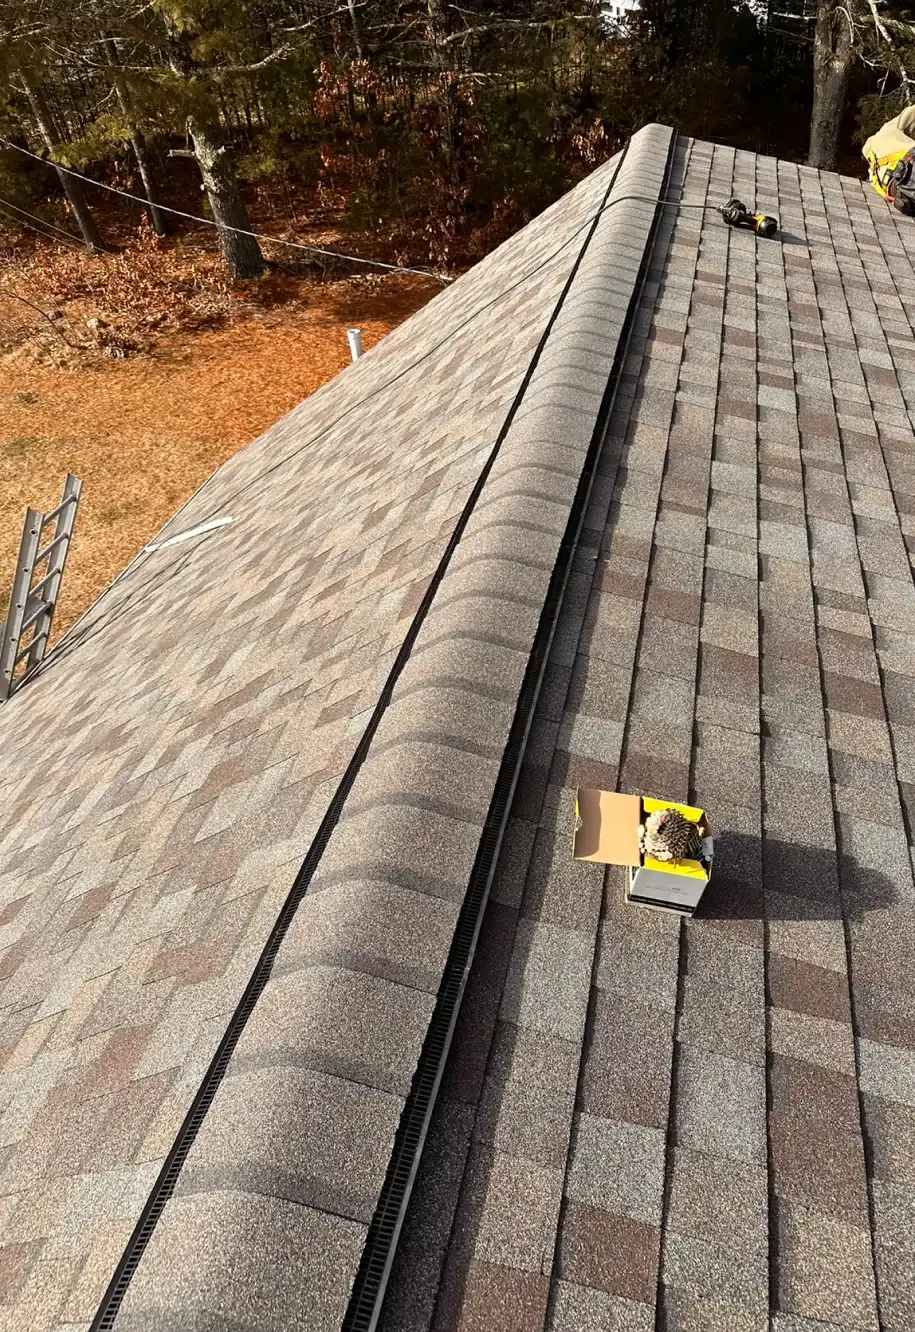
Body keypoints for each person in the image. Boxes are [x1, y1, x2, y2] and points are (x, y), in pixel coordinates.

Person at [863, 104, 915, 204]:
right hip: (907, 174)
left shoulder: (873, 173)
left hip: (899, 190)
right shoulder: (889, 130)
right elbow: (911, 113)